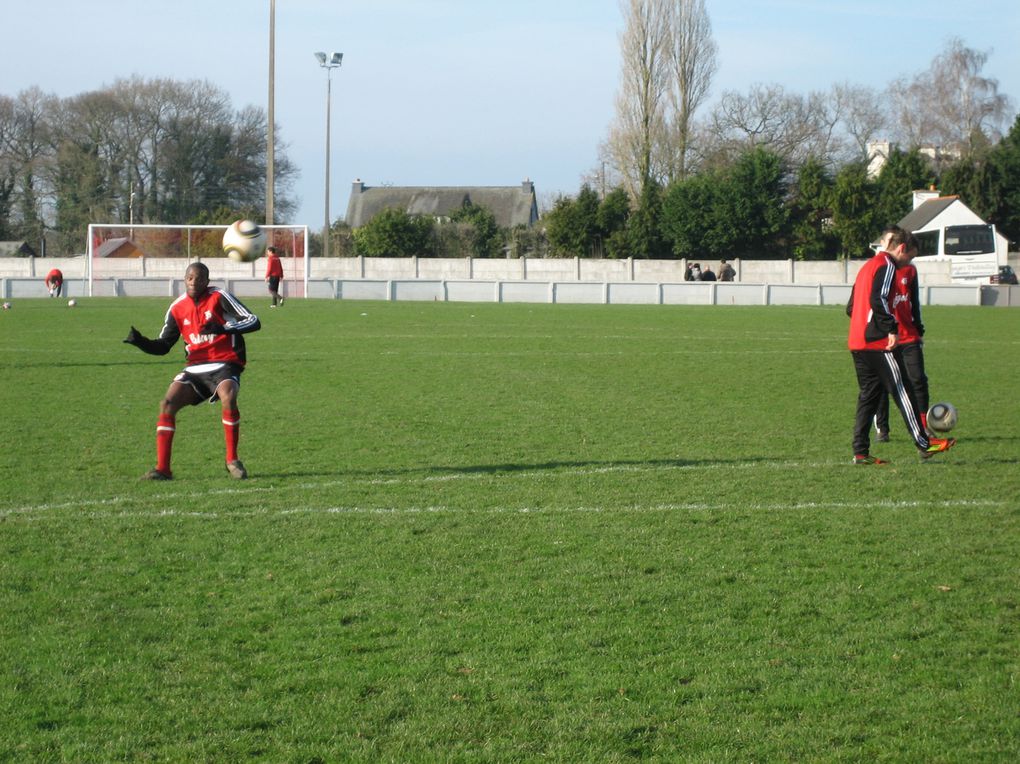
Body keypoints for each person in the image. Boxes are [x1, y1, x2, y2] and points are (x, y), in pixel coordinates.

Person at [123, 262, 261, 480]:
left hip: (225, 363)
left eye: (199, 278)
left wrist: (224, 328)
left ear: (207, 281)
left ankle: (232, 460)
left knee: (228, 394)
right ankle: (163, 470)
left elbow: (254, 321)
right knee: (167, 403)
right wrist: (141, 342)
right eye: (190, 278)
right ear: (184, 280)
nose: (193, 282)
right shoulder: (177, 307)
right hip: (196, 368)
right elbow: (164, 346)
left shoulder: (219, 296)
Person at [847, 226, 954, 464]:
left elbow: (850, 308)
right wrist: (890, 329)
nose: (909, 262)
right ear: (902, 248)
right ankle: (925, 443)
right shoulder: (886, 265)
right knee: (902, 388)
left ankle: (861, 452)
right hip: (877, 342)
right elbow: (880, 298)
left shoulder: (867, 267)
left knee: (869, 397)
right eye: (911, 257)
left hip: (857, 342)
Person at [869, 231, 929, 443]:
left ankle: (923, 425)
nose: (910, 261)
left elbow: (914, 302)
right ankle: (882, 430)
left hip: (908, 335)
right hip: (885, 337)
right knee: (882, 385)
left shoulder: (910, 271)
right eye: (911, 256)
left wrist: (918, 328)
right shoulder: (881, 268)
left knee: (918, 379)